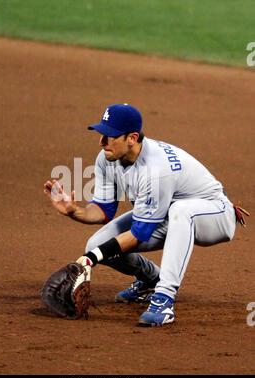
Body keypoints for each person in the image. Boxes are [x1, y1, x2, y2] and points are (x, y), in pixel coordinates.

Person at [44, 103, 243, 327]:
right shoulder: (107, 159)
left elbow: (138, 234)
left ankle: (164, 300)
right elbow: (102, 209)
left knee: (180, 211)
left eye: (109, 136)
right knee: (97, 242)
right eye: (101, 134)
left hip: (214, 215)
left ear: (132, 138)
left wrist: (91, 259)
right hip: (169, 215)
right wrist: (75, 211)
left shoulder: (156, 171)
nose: (102, 142)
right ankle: (151, 280)